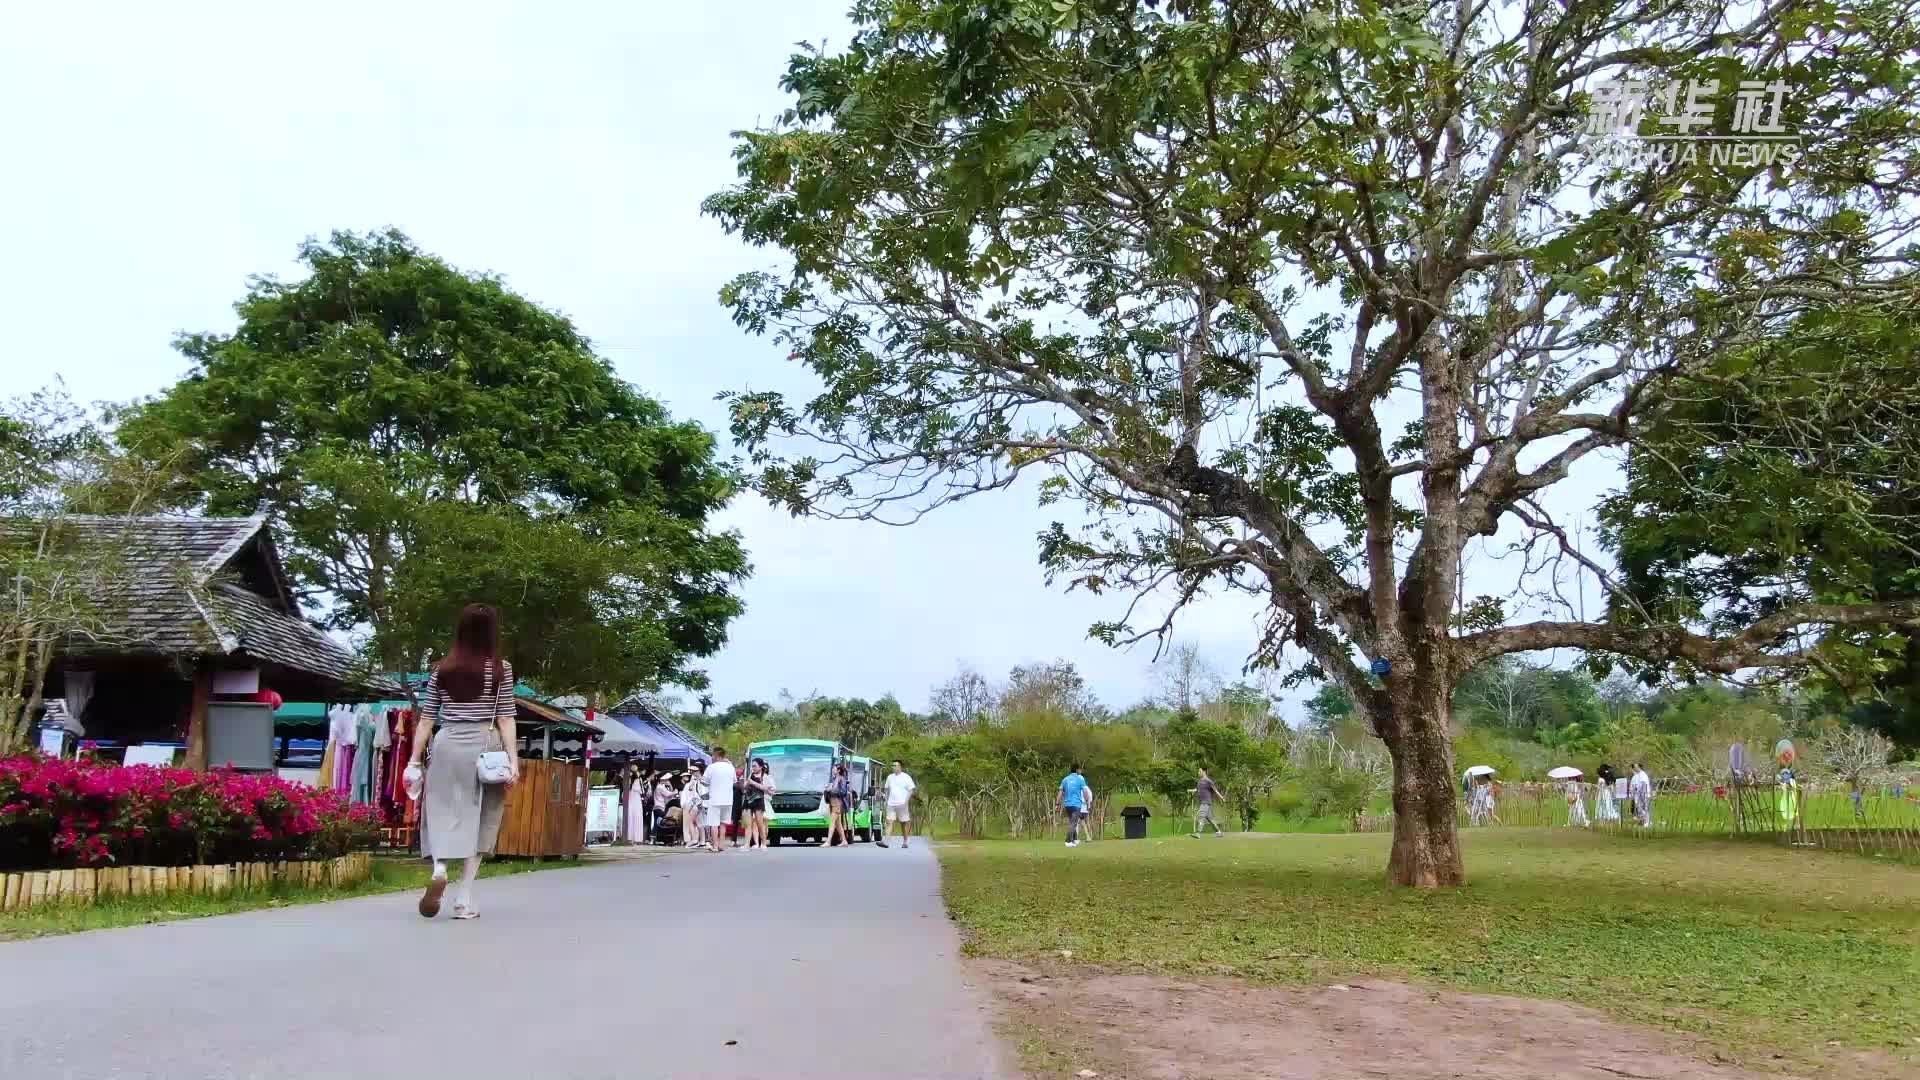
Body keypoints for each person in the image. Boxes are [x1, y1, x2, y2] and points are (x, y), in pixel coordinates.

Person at [407, 603, 518, 922]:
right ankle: (464, 898)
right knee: (483, 818)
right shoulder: (500, 669)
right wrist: (514, 761)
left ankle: (440, 868)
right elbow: (506, 718)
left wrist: (414, 761)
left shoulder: (441, 669)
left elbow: (427, 720)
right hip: (485, 747)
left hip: (445, 746)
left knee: (443, 812)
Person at [702, 749, 737, 854]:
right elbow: (734, 782)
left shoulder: (711, 767)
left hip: (715, 799)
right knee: (723, 824)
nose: (711, 757)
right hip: (728, 799)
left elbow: (704, 782)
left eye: (712, 755)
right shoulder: (731, 767)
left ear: (716, 755)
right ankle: (721, 845)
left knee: (713, 823)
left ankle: (715, 846)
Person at [884, 760, 917, 849]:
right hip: (891, 804)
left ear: (900, 767)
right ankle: (886, 842)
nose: (893, 767)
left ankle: (905, 841)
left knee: (904, 823)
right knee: (889, 822)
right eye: (892, 765)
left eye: (895, 765)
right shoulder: (890, 777)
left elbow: (911, 790)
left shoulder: (906, 777)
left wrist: (906, 801)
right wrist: (887, 800)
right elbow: (886, 789)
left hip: (902, 804)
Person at [743, 758, 773, 850]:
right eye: (752, 766)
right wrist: (746, 784)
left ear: (760, 766)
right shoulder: (750, 775)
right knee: (748, 824)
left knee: (760, 823)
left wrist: (754, 783)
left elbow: (769, 791)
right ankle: (746, 844)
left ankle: (763, 842)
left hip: (759, 801)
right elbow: (744, 788)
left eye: (755, 766)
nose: (753, 768)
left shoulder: (765, 777)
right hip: (748, 800)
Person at [1059, 763, 1090, 847]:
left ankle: (1074, 839)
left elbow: (1060, 792)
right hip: (1076, 804)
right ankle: (1068, 841)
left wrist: (1057, 803)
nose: (1081, 771)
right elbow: (1085, 791)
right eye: (1080, 769)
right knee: (1073, 823)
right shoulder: (1080, 779)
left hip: (1067, 804)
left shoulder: (1065, 779)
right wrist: (1087, 801)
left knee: (1072, 821)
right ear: (1077, 770)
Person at [826, 762, 855, 847]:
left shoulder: (841, 779)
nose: (832, 770)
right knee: (838, 824)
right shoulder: (835, 779)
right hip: (833, 802)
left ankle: (828, 841)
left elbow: (843, 792)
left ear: (838, 770)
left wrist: (831, 790)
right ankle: (844, 841)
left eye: (834, 768)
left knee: (832, 822)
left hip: (837, 803)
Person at [1192, 768, 1225, 838]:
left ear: (1204, 772)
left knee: (1201, 815)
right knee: (1210, 819)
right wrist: (1191, 790)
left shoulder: (1208, 781)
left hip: (1206, 802)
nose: (1198, 773)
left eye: (1199, 771)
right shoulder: (1199, 781)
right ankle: (1218, 832)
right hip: (1202, 802)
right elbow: (1197, 789)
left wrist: (1222, 797)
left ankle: (1198, 833)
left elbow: (1215, 790)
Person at [681, 764, 707, 848]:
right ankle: (702, 841)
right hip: (699, 803)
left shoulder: (701, 780)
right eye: (692, 771)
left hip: (698, 803)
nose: (692, 773)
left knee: (691, 821)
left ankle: (694, 839)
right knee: (699, 823)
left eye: (694, 771)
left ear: (699, 771)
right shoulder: (696, 780)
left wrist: (699, 802)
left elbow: (702, 793)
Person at [1629, 763, 1653, 827]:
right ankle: (1642, 821)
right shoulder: (1637, 775)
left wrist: (1640, 793)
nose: (1634, 768)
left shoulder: (1643, 774)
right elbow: (1634, 785)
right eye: (1634, 767)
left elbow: (1643, 785)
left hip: (1643, 794)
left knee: (1644, 808)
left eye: (1636, 767)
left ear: (1639, 767)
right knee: (1639, 809)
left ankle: (1647, 822)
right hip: (1638, 795)